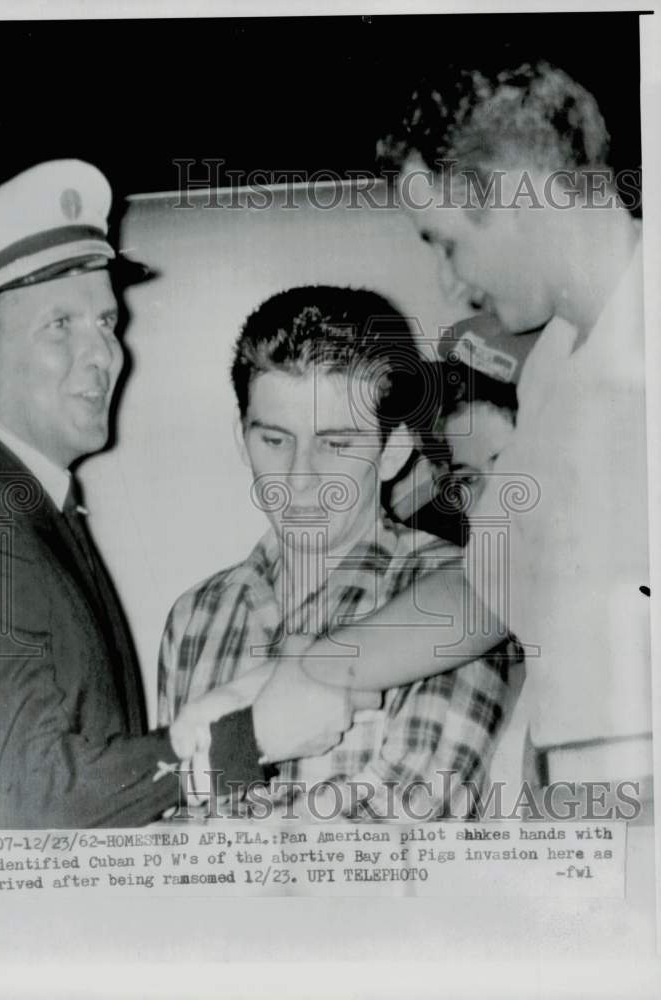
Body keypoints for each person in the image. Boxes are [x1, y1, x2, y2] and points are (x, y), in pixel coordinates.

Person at [0, 161, 370, 829]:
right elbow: (27, 799)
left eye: (106, 323)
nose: (103, 354)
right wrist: (250, 738)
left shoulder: (16, 498)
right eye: (60, 326)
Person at [297, 61, 651, 794]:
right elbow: (489, 589)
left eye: (447, 242)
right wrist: (316, 667)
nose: (448, 286)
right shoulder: (555, 363)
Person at [158, 286, 522, 818]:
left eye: (335, 444)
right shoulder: (194, 617)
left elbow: (400, 842)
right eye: (275, 441)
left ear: (393, 448)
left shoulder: (460, 594)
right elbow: (166, 812)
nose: (300, 479)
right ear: (242, 439)